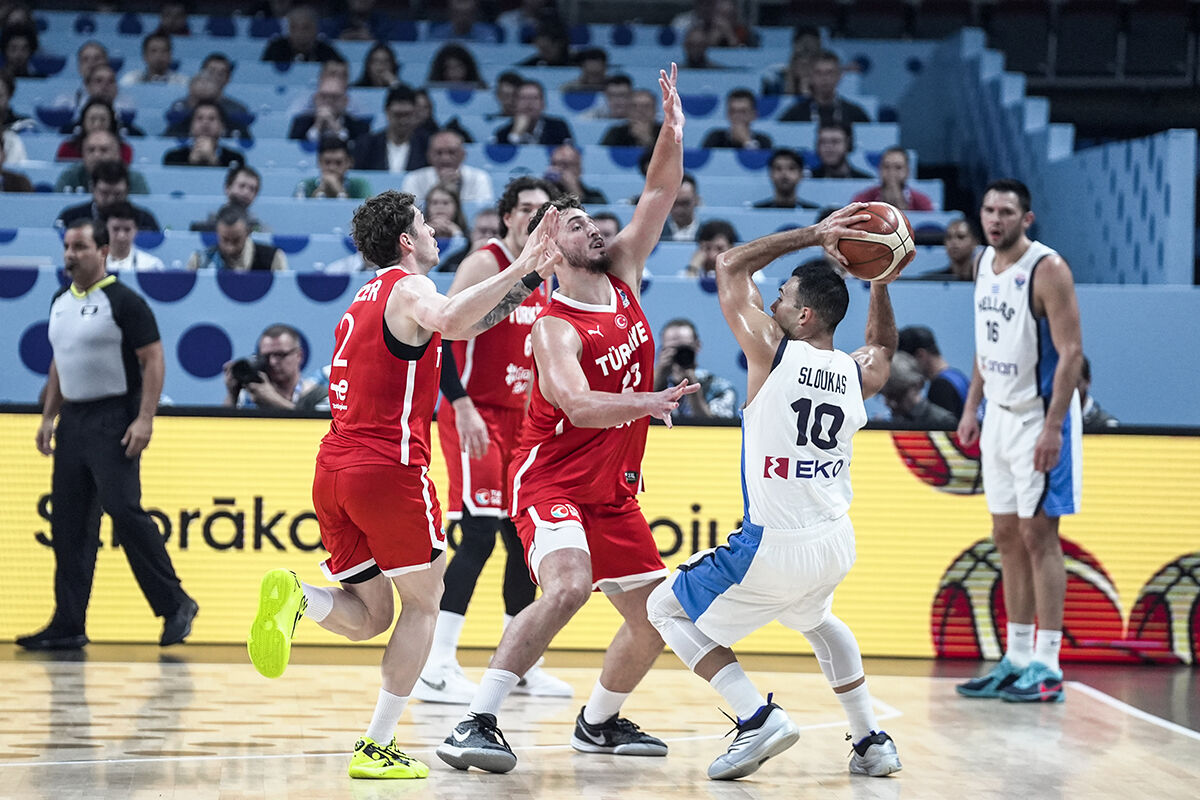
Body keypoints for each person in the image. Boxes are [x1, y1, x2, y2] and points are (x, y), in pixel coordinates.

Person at [435, 63, 696, 775]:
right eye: (578, 224)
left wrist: (672, 131)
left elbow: (659, 189)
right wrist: (647, 402)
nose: (597, 228)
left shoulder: (627, 271)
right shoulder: (552, 323)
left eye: (593, 220)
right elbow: (578, 404)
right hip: (548, 478)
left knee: (660, 619)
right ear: (554, 253)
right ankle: (475, 720)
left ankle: (599, 723)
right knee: (570, 587)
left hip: (611, 489)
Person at [245, 189, 561, 779]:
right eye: (426, 224)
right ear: (405, 241)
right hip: (387, 470)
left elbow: (466, 324)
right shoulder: (411, 288)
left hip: (334, 469)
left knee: (370, 617)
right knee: (425, 603)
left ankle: (298, 597)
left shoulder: (361, 300)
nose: (438, 231)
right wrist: (522, 267)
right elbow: (447, 317)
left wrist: (523, 280)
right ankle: (376, 746)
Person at [645, 203, 904, 781]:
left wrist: (816, 235)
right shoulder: (855, 372)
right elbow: (884, 345)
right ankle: (871, 740)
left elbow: (729, 264)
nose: (773, 301)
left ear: (805, 315)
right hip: (835, 541)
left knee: (663, 607)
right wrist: (881, 281)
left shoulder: (772, 350)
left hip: (772, 545)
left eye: (783, 295)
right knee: (818, 620)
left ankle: (755, 716)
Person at [418, 177, 571, 704]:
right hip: (474, 414)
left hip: (522, 421)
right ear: (506, 216)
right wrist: (459, 404)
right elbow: (439, 335)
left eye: (542, 209)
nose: (534, 215)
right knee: (479, 534)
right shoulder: (486, 264)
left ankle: (522, 665)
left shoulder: (546, 274)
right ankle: (436, 665)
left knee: (522, 542)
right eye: (525, 208)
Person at [16, 219, 198, 651]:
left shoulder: (124, 301)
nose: (70, 254)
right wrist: (48, 417)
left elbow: (153, 358)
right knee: (69, 524)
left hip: (115, 415)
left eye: (79, 246)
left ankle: (175, 602)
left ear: (102, 251)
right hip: (74, 420)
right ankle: (68, 622)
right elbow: (60, 362)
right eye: (66, 246)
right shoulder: (60, 301)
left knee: (122, 508)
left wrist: (145, 418)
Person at [955, 179, 1083, 703]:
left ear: (1026, 219)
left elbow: (1072, 353)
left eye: (1006, 211)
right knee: (1005, 533)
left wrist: (1053, 426)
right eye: (989, 210)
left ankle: (1048, 664)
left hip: (1039, 416)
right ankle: (1017, 657)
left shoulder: (1048, 269)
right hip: (999, 415)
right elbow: (986, 345)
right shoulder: (984, 262)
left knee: (1039, 535)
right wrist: (971, 407)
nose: (995, 219)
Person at [223, 323, 325, 410]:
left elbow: (323, 430)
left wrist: (272, 400)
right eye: (266, 356)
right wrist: (232, 395)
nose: (273, 362)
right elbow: (223, 430)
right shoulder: (249, 397)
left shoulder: (319, 396)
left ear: (299, 355)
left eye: (280, 355)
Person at [652, 318, 738, 421]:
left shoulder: (720, 388)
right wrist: (658, 376)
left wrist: (692, 386)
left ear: (697, 346)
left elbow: (717, 429)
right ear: (662, 350)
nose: (679, 355)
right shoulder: (653, 387)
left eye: (685, 349)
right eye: (672, 349)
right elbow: (637, 417)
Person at [56, 160, 160, 232]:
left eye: (117, 194)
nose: (111, 200)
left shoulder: (145, 221)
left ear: (127, 190)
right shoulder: (71, 217)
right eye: (105, 193)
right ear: (92, 188)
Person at [400, 129, 495, 206]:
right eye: (439, 152)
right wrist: (440, 186)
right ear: (429, 155)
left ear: (463, 154)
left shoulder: (480, 177)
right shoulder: (414, 179)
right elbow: (409, 212)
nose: (445, 158)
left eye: (452, 152)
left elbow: (483, 211)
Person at [779, 51, 870, 126]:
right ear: (810, 76)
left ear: (839, 76)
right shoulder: (794, 114)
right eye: (818, 73)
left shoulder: (855, 113)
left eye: (829, 73)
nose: (824, 78)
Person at [186, 204, 287, 271]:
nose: (230, 247)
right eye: (225, 239)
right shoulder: (200, 261)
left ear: (248, 232)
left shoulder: (273, 258)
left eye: (236, 240)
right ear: (217, 232)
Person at [897, 324, 969, 419]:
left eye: (907, 362)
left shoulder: (940, 388)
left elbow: (943, 431)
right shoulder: (958, 377)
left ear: (920, 355)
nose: (906, 369)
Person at [55, 130, 149, 194]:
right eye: (91, 150)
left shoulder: (134, 178)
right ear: (83, 154)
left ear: (117, 154)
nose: (97, 155)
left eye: (104, 150)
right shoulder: (69, 176)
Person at [880, 351, 958, 427]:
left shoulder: (943, 422)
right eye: (886, 396)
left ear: (918, 385)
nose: (890, 403)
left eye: (898, 395)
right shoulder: (886, 422)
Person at [287, 74, 371, 143]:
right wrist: (317, 127)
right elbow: (294, 153)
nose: (328, 101)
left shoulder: (360, 128)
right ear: (315, 99)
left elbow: (360, 153)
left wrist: (338, 129)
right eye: (324, 96)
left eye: (335, 97)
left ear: (346, 101)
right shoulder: (300, 124)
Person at [162, 101, 245, 168]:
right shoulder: (173, 157)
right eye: (199, 118)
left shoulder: (235, 158)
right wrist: (191, 163)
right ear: (191, 126)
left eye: (211, 118)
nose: (205, 123)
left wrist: (213, 162)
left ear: (222, 127)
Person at [493, 80, 573, 146]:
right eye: (524, 98)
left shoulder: (559, 127)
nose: (529, 103)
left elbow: (568, 152)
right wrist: (515, 134)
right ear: (515, 103)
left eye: (534, 98)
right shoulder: (503, 133)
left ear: (543, 104)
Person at [852, 147, 933, 211]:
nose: (892, 173)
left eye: (898, 167)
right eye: (886, 167)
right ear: (879, 170)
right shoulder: (862, 200)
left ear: (907, 171)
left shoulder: (922, 202)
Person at [56, 99, 135, 164]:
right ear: (83, 122)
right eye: (92, 119)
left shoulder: (123, 149)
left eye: (103, 120)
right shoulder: (67, 148)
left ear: (111, 123)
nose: (97, 124)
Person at [191, 165, 267, 232]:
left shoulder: (261, 230)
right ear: (227, 188)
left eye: (252, 189)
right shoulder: (203, 227)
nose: (246, 192)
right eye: (242, 186)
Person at [295, 136, 371, 199]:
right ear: (319, 162)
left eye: (338, 163)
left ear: (349, 163)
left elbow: (368, 214)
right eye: (327, 162)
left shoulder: (360, 185)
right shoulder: (305, 185)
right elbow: (298, 212)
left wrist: (339, 190)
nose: (332, 168)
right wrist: (319, 192)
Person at [261, 5, 345, 63]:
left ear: (316, 30)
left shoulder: (326, 51)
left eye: (306, 27)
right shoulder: (276, 48)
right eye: (294, 27)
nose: (299, 33)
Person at [101, 201, 165, 271]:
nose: (121, 236)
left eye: (127, 230)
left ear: (136, 230)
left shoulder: (151, 266)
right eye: (116, 229)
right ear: (106, 229)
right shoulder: (94, 263)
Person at [701, 89, 772, 150]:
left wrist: (746, 141)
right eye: (733, 111)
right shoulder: (715, 138)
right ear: (727, 114)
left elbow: (759, 163)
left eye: (743, 111)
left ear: (754, 115)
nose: (737, 116)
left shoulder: (763, 141)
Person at [913, 218, 979, 281]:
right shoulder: (931, 281)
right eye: (949, 237)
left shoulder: (984, 279)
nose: (954, 242)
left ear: (975, 242)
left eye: (961, 237)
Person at [753, 149, 819, 210]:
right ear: (770, 174)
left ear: (801, 174)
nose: (784, 173)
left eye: (791, 168)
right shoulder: (756, 211)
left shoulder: (813, 211)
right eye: (778, 168)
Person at [119, 32, 188, 87]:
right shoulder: (130, 80)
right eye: (153, 51)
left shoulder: (182, 83)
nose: (159, 55)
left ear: (170, 55)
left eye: (164, 51)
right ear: (144, 56)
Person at [428, 0, 502, 43]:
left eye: (467, 14)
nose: (462, 18)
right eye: (458, 14)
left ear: (474, 15)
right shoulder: (438, 33)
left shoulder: (488, 34)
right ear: (450, 14)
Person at [1078, 356, 1118, 431]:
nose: (1068, 389)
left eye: (1075, 383)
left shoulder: (1108, 427)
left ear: (1088, 381)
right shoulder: (1053, 423)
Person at [663, 173, 700, 241]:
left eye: (685, 203)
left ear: (697, 201)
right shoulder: (655, 234)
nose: (679, 209)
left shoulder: (709, 236)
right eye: (674, 203)